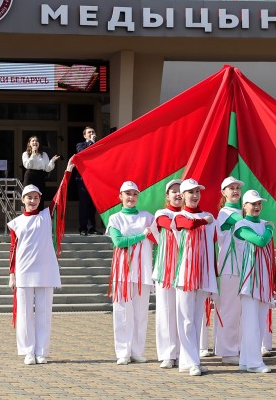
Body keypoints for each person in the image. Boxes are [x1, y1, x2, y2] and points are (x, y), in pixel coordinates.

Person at [8, 184, 63, 365]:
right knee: (24, 313)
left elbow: (60, 195)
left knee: (44, 312)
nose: (32, 201)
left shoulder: (46, 216)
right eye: (29, 198)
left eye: (36, 198)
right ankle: (28, 351)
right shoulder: (16, 223)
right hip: (24, 270)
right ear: (22, 200)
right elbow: (13, 249)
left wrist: (69, 170)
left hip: (46, 271)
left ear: (40, 199)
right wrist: (12, 274)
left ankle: (41, 351)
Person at [106, 181, 155, 365]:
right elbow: (118, 242)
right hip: (122, 272)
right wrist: (142, 236)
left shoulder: (147, 217)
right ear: (120, 197)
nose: (131, 197)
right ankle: (123, 351)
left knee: (140, 312)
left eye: (134, 194)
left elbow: (159, 237)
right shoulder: (115, 219)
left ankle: (137, 350)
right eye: (127, 194)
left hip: (143, 270)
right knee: (122, 312)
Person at [173, 178, 218, 376]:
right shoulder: (178, 216)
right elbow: (188, 224)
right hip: (184, 274)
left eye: (197, 192)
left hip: (203, 274)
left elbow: (213, 241)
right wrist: (203, 221)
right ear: (182, 196)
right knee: (186, 319)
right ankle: (191, 361)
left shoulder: (209, 215)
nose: (195, 195)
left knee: (197, 318)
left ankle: (189, 360)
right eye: (190, 192)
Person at [234, 189, 276, 374]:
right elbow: (260, 241)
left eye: (259, 203)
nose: (257, 207)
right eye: (252, 203)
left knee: (258, 322)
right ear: (244, 206)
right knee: (251, 323)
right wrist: (269, 229)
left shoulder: (262, 223)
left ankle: (246, 360)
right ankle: (254, 363)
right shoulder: (241, 225)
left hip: (263, 280)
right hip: (249, 281)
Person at [214, 176, 245, 365]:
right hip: (229, 267)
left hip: (243, 266)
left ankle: (238, 347)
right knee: (229, 310)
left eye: (237, 188)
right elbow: (247, 219)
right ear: (223, 193)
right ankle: (227, 351)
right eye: (230, 188)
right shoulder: (226, 213)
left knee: (241, 310)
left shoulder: (242, 211)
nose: (235, 191)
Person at [152, 179, 182, 369]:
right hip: (166, 269)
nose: (178, 194)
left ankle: (183, 353)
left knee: (183, 312)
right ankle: (167, 354)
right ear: (167, 196)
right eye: (174, 192)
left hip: (186, 270)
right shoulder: (162, 213)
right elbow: (171, 225)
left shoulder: (191, 215)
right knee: (166, 312)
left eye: (181, 191)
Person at [76, 126, 99, 236]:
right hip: (83, 180)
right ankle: (83, 228)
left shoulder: (99, 145)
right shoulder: (80, 145)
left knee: (92, 205)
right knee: (84, 205)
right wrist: (91, 142)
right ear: (85, 135)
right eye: (89, 132)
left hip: (94, 179)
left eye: (93, 132)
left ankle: (91, 228)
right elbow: (81, 153)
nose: (91, 133)